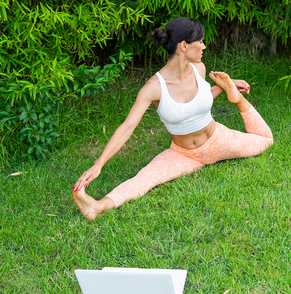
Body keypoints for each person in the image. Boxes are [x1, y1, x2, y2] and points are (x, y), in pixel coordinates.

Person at [72, 17, 273, 221]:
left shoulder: (199, 69)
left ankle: (237, 100)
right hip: (182, 154)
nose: (204, 46)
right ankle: (96, 206)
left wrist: (224, 87)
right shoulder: (153, 87)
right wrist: (98, 164)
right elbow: (127, 128)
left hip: (217, 141)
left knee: (265, 140)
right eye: (200, 41)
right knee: (144, 178)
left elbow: (197, 103)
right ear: (184, 45)